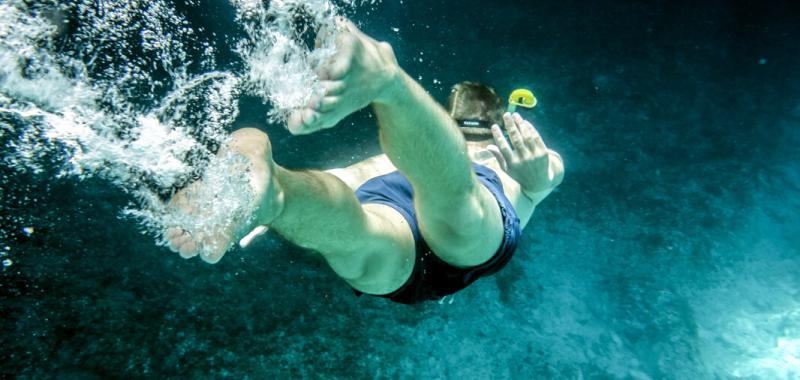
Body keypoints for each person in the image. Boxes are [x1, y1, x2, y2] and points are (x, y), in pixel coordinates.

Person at [165, 19, 564, 304]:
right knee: (459, 213)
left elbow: (356, 174)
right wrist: (537, 177)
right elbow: (545, 175)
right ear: (496, 125)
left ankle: (278, 192)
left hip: (394, 199)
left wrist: (260, 204)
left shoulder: (428, 149)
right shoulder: (515, 156)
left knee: (356, 233)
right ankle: (389, 85)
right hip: (453, 223)